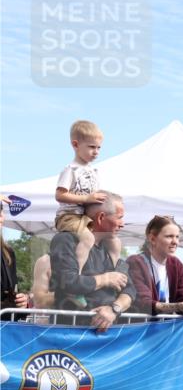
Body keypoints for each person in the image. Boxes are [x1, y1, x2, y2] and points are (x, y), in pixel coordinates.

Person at [53, 120, 122, 309]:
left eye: (99, 148)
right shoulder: (70, 170)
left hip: (85, 217)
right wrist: (86, 198)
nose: (96, 152)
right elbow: (60, 195)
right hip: (69, 216)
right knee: (88, 238)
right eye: (91, 147)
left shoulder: (93, 171)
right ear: (76, 145)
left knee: (113, 241)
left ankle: (113, 276)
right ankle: (76, 284)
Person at [49, 192, 134, 332]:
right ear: (101, 217)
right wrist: (106, 279)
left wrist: (114, 309)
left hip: (108, 336)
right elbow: (68, 282)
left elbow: (130, 290)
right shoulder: (66, 240)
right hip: (71, 335)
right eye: (119, 218)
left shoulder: (110, 248)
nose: (122, 224)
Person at [126, 216, 183, 317]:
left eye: (177, 237)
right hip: (141, 326)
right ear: (152, 239)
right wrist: (181, 306)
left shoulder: (176, 264)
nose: (175, 242)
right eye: (169, 236)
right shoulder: (135, 262)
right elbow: (144, 303)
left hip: (168, 326)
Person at [1, 197, 30, 316]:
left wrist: (21, 302)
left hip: (5, 324)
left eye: (1, 209)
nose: (1, 215)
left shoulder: (8, 253)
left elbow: (13, 290)